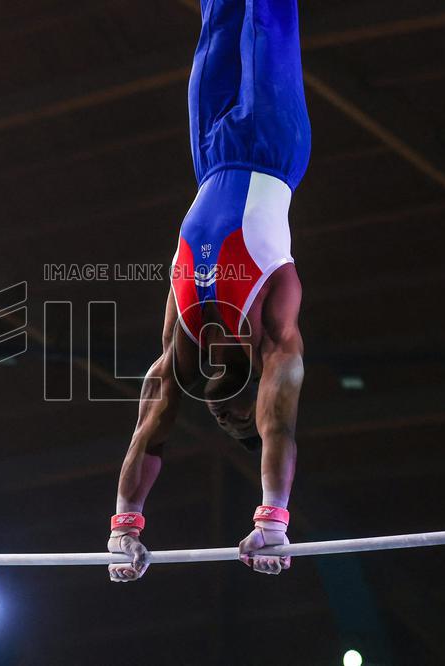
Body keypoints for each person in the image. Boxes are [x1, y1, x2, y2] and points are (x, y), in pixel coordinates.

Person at [107, 0, 311, 580]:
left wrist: (126, 525)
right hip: (274, 148)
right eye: (240, 420)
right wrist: (273, 520)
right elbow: (282, 429)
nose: (224, 417)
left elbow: (148, 434)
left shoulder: (182, 352)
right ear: (260, 402)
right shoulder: (275, 338)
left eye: (224, 424)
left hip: (210, 158)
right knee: (266, 23)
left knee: (218, 22)